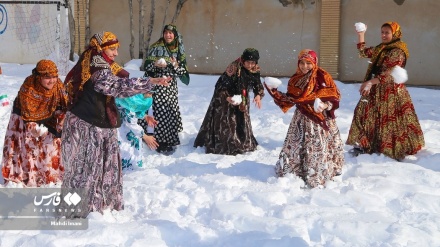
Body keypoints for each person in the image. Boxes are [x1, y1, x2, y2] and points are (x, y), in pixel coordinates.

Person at [61, 31, 170, 217]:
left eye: (117, 48)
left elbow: (120, 84)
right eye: (112, 49)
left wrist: (143, 113)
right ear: (100, 48)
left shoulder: (98, 61)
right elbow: (117, 86)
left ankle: (98, 205)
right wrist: (149, 82)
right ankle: (86, 210)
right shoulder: (97, 66)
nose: (116, 53)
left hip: (97, 122)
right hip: (89, 124)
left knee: (101, 167)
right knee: (88, 168)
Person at [265, 49, 344, 188]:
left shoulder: (323, 76)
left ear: (314, 63)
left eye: (308, 63)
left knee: (317, 149)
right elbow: (289, 100)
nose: (304, 66)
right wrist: (274, 91)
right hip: (301, 119)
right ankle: (295, 173)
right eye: (302, 63)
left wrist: (325, 105)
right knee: (296, 147)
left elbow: (335, 98)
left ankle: (318, 175)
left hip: (320, 119)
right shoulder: (296, 79)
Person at [346, 21, 424, 160]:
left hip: (391, 92)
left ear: (395, 33)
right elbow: (364, 53)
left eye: (387, 32)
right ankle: (363, 144)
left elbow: (390, 74)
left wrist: (370, 82)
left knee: (391, 121)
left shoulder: (398, 51)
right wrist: (361, 35)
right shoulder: (382, 48)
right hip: (376, 88)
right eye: (382, 32)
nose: (383, 35)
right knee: (364, 113)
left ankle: (394, 148)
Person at [2, 59, 67, 187]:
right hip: (24, 120)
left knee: (51, 146)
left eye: (54, 76)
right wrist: (33, 128)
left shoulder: (58, 86)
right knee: (29, 147)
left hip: (50, 119)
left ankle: (49, 175)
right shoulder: (29, 87)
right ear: (39, 76)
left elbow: (65, 104)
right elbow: (28, 114)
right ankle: (27, 176)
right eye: (47, 77)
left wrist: (62, 118)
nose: (52, 80)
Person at [194, 48, 264, 155]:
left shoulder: (255, 69)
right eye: (248, 62)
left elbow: (257, 83)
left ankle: (242, 140)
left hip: (243, 97)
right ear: (243, 60)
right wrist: (227, 97)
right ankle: (229, 143)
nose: (250, 65)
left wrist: (258, 95)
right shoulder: (234, 67)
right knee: (229, 121)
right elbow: (220, 85)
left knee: (241, 119)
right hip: (226, 97)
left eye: (253, 63)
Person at [139, 24, 189, 154]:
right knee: (157, 111)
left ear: (175, 35)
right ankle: (153, 139)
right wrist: (155, 64)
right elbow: (147, 67)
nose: (168, 35)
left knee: (168, 112)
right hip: (155, 84)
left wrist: (175, 65)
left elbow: (184, 73)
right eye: (166, 32)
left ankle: (167, 140)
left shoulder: (179, 50)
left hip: (170, 86)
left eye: (171, 33)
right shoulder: (155, 47)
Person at [115, 92, 158, 170]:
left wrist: (145, 116)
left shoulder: (132, 98)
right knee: (125, 152)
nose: (150, 96)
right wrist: (145, 136)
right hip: (123, 133)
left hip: (125, 130)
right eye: (149, 93)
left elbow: (134, 109)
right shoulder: (128, 100)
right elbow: (130, 123)